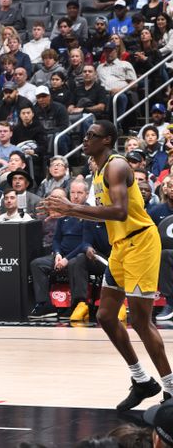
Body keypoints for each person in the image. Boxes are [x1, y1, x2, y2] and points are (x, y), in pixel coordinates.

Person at [42, 120, 173, 411]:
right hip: (120, 247)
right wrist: (63, 210)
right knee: (104, 316)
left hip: (141, 243)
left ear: (108, 140)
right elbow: (100, 214)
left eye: (93, 136)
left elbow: (120, 211)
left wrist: (72, 208)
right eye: (86, 135)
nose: (86, 139)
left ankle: (171, 389)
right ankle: (141, 380)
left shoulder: (116, 166)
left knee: (140, 321)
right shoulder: (97, 172)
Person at [28, 182, 88, 321]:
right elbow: (56, 239)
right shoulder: (64, 214)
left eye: (79, 193)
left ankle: (76, 305)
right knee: (37, 264)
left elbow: (85, 243)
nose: (76, 196)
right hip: (62, 255)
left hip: (79, 255)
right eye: (73, 193)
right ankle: (45, 304)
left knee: (75, 262)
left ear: (86, 194)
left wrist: (66, 259)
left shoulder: (88, 213)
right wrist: (58, 254)